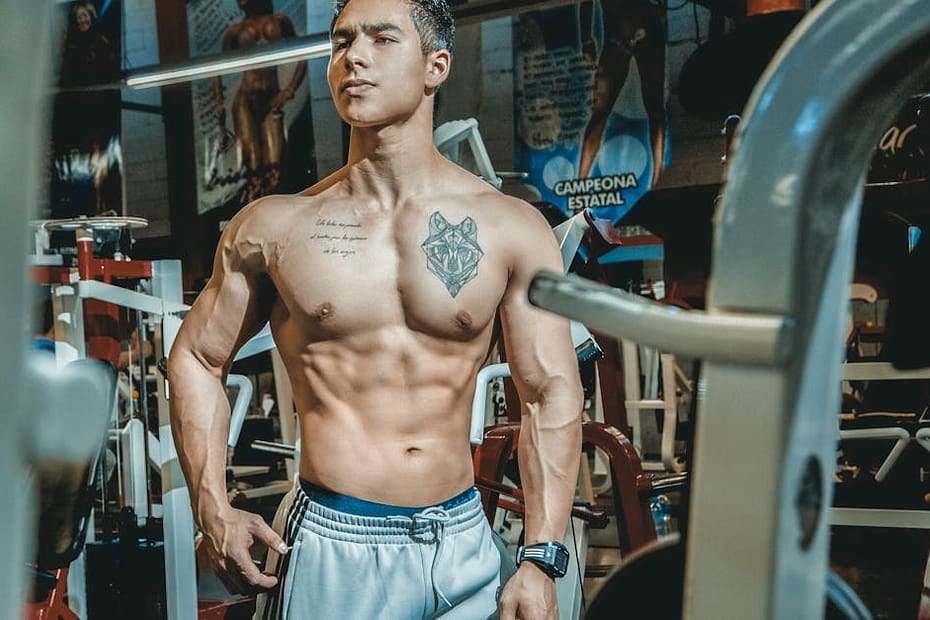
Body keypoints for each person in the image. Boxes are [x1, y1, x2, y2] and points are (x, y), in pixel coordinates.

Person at [168, 0, 583, 617]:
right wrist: (212, 508)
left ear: (436, 66)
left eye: (382, 39)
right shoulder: (275, 228)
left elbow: (549, 392)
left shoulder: (511, 227)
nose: (354, 58)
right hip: (333, 545)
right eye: (341, 42)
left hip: (463, 544)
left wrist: (540, 557)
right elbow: (197, 359)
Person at [213, 0, 307, 202]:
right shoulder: (235, 31)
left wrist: (289, 90)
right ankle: (254, 210)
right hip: (245, 101)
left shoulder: (279, 21)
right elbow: (214, 68)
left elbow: (303, 54)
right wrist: (219, 102)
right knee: (253, 168)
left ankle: (274, 212)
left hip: (272, 99)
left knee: (275, 168)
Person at [577, 0, 667, 185]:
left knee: (655, 109)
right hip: (618, 38)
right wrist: (586, 39)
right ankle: (581, 179)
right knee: (600, 113)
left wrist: (658, 14)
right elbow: (585, 3)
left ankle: (658, 176)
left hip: (647, 34)